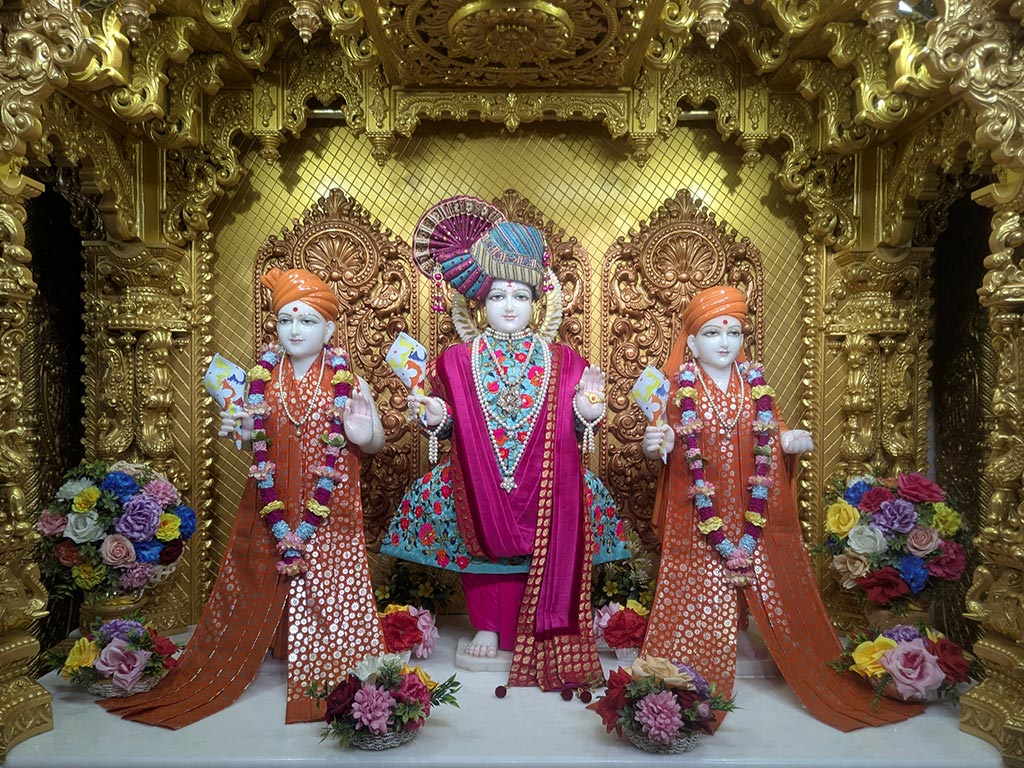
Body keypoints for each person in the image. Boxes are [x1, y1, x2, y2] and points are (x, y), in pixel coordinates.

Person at [102, 268, 387, 727]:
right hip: (272, 499)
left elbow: (373, 442)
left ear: (330, 329)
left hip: (329, 502)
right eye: (286, 320)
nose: (295, 330)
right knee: (259, 564)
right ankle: (274, 644)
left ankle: (330, 665)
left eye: (308, 321)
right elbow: (254, 440)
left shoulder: (348, 383)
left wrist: (366, 432)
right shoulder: (258, 380)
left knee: (331, 577)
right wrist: (239, 431)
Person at [639, 285, 922, 730]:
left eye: (733, 332)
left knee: (762, 566)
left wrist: (789, 440)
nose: (724, 342)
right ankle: (694, 668)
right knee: (700, 580)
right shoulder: (676, 389)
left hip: (751, 504)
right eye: (712, 333)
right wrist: (658, 444)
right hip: (700, 509)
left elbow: (773, 426)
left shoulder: (755, 385)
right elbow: (669, 435)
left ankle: (752, 635)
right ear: (691, 342)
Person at [381, 196, 629, 692]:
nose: (509, 306)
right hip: (477, 470)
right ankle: (490, 625)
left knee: (553, 522)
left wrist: (589, 412)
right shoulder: (454, 359)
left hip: (547, 476)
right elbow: (446, 422)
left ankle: (532, 624)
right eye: (497, 297)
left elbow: (581, 420)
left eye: (519, 295)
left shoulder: (565, 358)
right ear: (479, 303)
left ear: (537, 301)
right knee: (472, 527)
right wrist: (435, 417)